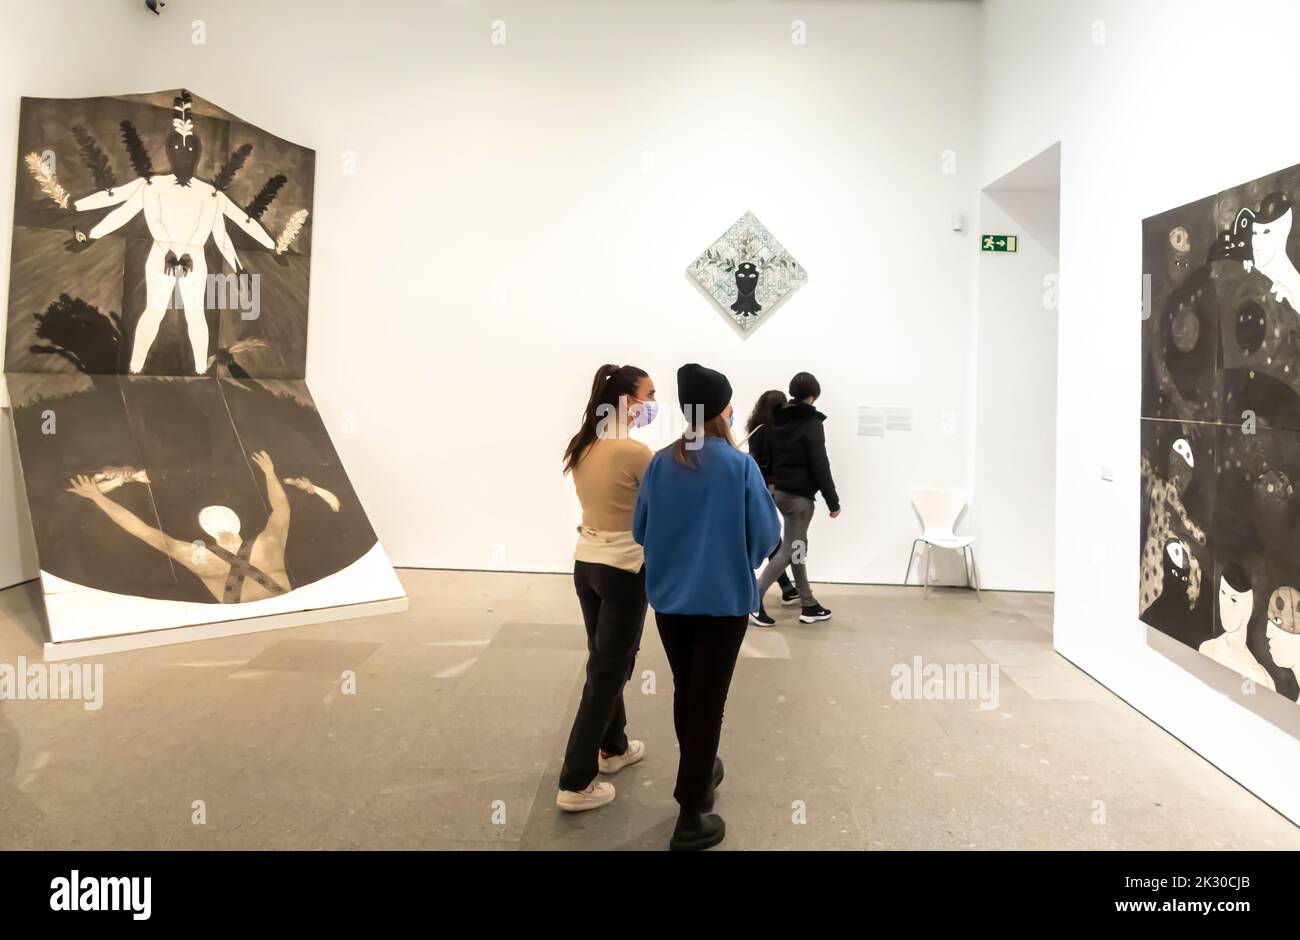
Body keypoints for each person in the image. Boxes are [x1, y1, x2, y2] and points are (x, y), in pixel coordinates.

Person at [634, 363, 781, 851]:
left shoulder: (660, 462)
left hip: (671, 603)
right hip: (722, 605)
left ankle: (702, 769)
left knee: (686, 691)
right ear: (722, 408)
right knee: (708, 702)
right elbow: (766, 538)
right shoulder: (739, 467)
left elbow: (640, 531)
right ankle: (690, 814)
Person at [555, 364, 658, 813]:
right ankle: (575, 783)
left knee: (605, 660)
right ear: (627, 401)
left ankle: (613, 748)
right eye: (649, 395)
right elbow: (657, 511)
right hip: (624, 568)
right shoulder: (635, 452)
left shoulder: (584, 445)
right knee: (608, 671)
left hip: (587, 564)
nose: (653, 404)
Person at [66, 450, 293, 603]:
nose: (218, 518)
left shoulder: (266, 543)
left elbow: (281, 507)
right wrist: (98, 498)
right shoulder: (202, 555)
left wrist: (269, 473)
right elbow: (141, 530)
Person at [752, 372, 839, 626]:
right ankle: (753, 598)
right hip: (800, 498)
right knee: (791, 548)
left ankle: (808, 603)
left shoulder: (778, 419)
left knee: (798, 546)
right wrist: (833, 501)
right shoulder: (811, 423)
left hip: (780, 493)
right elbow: (820, 464)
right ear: (814, 394)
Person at [745, 390, 800, 607]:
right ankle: (783, 588)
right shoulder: (773, 432)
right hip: (773, 487)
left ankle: (787, 587)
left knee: (776, 537)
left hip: (762, 486)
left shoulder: (756, 428)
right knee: (780, 539)